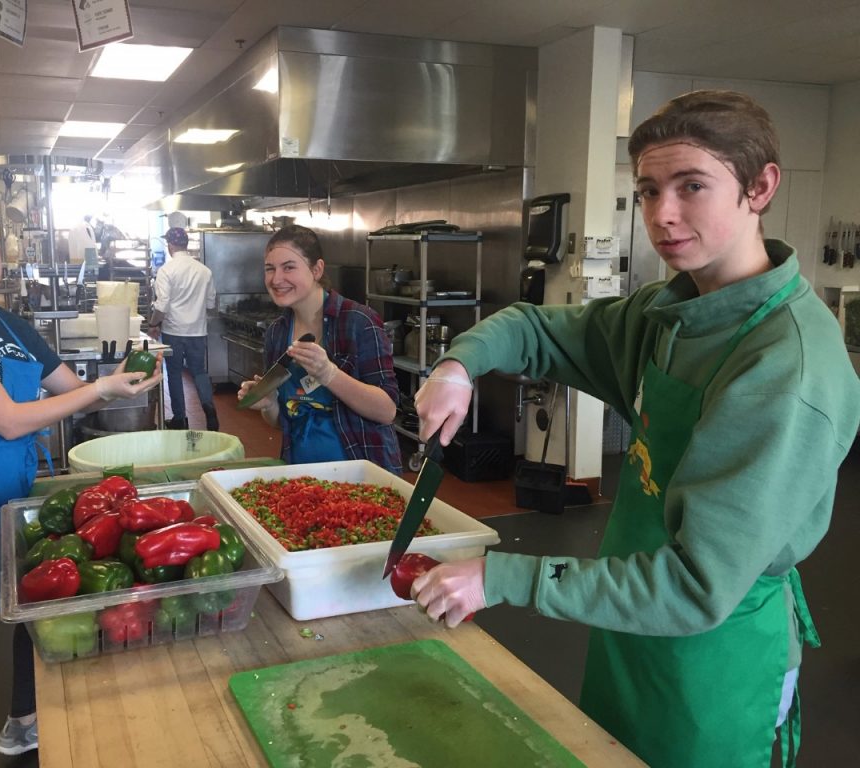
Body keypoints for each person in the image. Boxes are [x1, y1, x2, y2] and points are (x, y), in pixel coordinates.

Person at [410, 90, 860, 768]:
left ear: (760, 188)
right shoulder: (669, 312)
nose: (663, 215)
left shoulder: (785, 369)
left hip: (713, 657)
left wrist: (502, 579)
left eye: (692, 186)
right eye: (648, 191)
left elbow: (695, 586)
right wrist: (457, 366)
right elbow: (535, 327)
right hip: (626, 623)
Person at [0, 205, 161, 767]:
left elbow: (70, 387)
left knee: (33, 608)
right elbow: (12, 420)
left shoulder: (13, 326)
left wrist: (124, 385)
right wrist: (100, 392)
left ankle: (23, 722)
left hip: (10, 493)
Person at [237, 225, 402, 473]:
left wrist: (329, 374)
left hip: (362, 477)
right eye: (270, 269)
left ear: (317, 269)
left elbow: (387, 411)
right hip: (302, 478)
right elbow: (283, 422)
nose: (276, 279)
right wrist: (269, 403)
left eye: (289, 267)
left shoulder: (359, 322)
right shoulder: (277, 332)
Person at [146, 226, 219, 431]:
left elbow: (162, 305)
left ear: (170, 245)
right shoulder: (204, 271)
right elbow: (211, 304)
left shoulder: (167, 270)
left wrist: (153, 324)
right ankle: (209, 409)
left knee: (175, 373)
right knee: (199, 372)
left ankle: (180, 419)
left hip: (174, 331)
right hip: (198, 330)